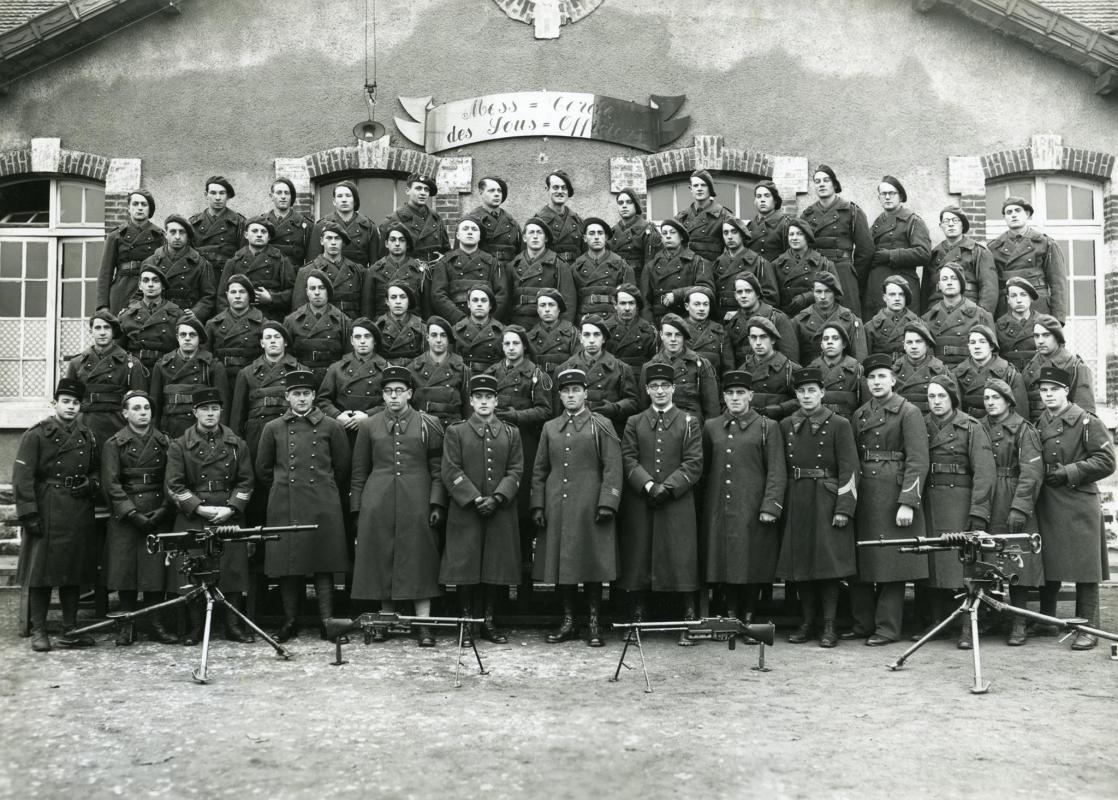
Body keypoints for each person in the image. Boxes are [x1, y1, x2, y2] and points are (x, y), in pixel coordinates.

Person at [350, 366, 447, 647]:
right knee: (382, 556)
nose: (393, 397)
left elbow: (438, 468)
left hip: (418, 499)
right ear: (382, 395)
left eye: (399, 391)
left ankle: (424, 625)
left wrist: (436, 502)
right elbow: (359, 470)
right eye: (388, 391)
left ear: (410, 394)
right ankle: (385, 620)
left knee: (420, 557)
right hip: (377, 502)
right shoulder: (369, 425)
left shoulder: (429, 424)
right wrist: (358, 508)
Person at [255, 370, 351, 642]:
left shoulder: (332, 426)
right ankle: (290, 620)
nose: (301, 399)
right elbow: (263, 468)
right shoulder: (273, 428)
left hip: (323, 502)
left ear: (313, 396)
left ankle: (327, 621)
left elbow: (341, 467)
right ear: (287, 397)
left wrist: (323, 487)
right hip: (286, 501)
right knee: (289, 563)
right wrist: (283, 486)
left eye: (306, 393)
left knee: (324, 562)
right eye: (296, 394)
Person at [530, 367, 622, 647]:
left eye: (576, 391)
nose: (571, 395)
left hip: (590, 505)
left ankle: (593, 623)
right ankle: (568, 622)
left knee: (592, 564)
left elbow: (613, 467)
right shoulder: (550, 427)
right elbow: (540, 470)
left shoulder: (601, 424)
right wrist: (538, 505)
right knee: (563, 565)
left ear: (585, 393)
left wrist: (608, 501)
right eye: (566, 391)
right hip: (558, 505)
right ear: (559, 395)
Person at [619, 363, 704, 644]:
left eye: (664, 386)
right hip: (641, 500)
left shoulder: (689, 422)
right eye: (653, 386)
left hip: (676, 501)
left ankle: (688, 621)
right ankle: (637, 619)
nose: (659, 391)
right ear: (646, 390)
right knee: (638, 556)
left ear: (673, 389)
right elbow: (628, 458)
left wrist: (668, 488)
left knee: (681, 558)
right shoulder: (634, 422)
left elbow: (694, 463)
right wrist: (647, 485)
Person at [848, 354, 929, 646]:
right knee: (862, 560)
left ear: (893, 380)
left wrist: (908, 500)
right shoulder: (859, 414)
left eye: (882, 376)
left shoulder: (908, 412)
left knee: (891, 564)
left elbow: (918, 460)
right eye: (871, 377)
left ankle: (887, 628)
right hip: (866, 493)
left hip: (893, 494)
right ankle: (862, 623)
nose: (877, 382)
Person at [14, 378, 100, 652]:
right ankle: (39, 629)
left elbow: (96, 471)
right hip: (47, 506)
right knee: (41, 572)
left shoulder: (87, 436)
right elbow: (22, 477)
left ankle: (70, 629)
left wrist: (91, 485)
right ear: (55, 404)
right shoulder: (37, 434)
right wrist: (29, 514)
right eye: (66, 402)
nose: (71, 407)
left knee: (72, 571)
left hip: (77, 509)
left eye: (75, 403)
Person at [164, 387, 255, 645]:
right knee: (193, 571)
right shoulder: (180, 445)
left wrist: (231, 508)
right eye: (204, 409)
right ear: (194, 412)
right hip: (194, 514)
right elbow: (174, 485)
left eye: (215, 409)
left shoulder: (237, 443)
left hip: (228, 513)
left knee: (232, 570)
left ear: (221, 411)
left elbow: (246, 481)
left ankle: (233, 626)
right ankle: (196, 628)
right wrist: (198, 508)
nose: (210, 414)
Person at [1033, 366, 1115, 650]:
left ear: (1066, 391)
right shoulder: (1039, 422)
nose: (1048, 395)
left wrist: (1070, 471)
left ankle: (1088, 628)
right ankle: (1046, 619)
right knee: (1049, 561)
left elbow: (1107, 461)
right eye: (1043, 391)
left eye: (1053, 390)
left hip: (1079, 499)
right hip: (1048, 502)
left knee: (1085, 566)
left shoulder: (1086, 421)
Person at [776, 367, 859, 647]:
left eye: (812, 390)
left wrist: (843, 508)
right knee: (801, 565)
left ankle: (829, 625)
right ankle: (807, 621)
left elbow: (850, 470)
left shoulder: (839, 424)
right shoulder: (787, 425)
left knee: (828, 566)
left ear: (822, 392)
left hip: (826, 497)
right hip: (797, 498)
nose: (807, 396)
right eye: (801, 391)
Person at [440, 374, 525, 644]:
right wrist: (475, 498)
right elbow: (450, 469)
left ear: (496, 401)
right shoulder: (456, 431)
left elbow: (516, 469)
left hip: (500, 510)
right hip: (466, 511)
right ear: (471, 401)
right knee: (465, 567)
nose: (484, 402)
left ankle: (488, 623)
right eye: (479, 397)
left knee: (494, 567)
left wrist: (498, 497)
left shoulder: (511, 433)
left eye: (489, 397)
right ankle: (466, 622)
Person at [702, 369, 785, 632]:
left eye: (740, 393)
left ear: (750, 395)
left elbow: (776, 470)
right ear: (723, 397)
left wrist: (770, 506)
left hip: (752, 509)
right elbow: (703, 470)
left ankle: (749, 617)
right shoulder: (711, 426)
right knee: (724, 564)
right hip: (719, 509)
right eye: (730, 393)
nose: (735, 398)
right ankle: (728, 617)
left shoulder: (767, 427)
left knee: (750, 565)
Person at [922, 373, 995, 648]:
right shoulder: (921, 424)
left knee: (964, 566)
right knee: (933, 561)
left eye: (942, 396)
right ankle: (939, 621)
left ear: (953, 398)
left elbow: (985, 473)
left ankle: (967, 626)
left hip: (960, 500)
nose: (936, 401)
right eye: (931, 396)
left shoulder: (971, 426)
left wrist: (978, 511)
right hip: (930, 500)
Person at [100, 389, 178, 645]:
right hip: (127, 514)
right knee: (126, 568)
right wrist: (131, 513)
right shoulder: (114, 444)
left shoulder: (165, 442)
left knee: (154, 569)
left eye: (146, 408)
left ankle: (155, 622)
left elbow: (173, 479)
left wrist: (165, 509)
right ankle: (128, 622)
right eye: (136, 408)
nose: (142, 413)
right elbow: (110, 484)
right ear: (125, 414)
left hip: (157, 510)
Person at [980, 378, 1044, 646]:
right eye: (987, 398)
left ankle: (1019, 621)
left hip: (1013, 494)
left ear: (1008, 401)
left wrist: (1020, 507)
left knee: (1018, 560)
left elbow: (1031, 473)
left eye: (996, 398)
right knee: (989, 559)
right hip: (987, 496)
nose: (991, 402)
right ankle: (994, 616)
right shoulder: (979, 427)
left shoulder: (1023, 429)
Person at [485, 329, 551, 588]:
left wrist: (516, 416)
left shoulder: (537, 374)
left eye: (516, 343)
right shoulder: (491, 373)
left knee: (522, 509)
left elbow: (546, 410)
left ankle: (525, 586)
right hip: (496, 442)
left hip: (526, 442)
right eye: (507, 343)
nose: (511, 348)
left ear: (524, 346)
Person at [229, 320, 308, 474]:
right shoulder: (247, 373)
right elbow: (238, 415)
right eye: (268, 337)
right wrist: (237, 445)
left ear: (285, 343)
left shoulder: (301, 370)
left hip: (291, 433)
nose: (273, 340)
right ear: (262, 343)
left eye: (277, 337)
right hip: (256, 435)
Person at [799, 165, 873, 318]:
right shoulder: (807, 215)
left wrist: (853, 276)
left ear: (834, 184)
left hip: (843, 273)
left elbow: (866, 250)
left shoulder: (852, 211)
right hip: (816, 272)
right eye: (817, 181)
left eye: (826, 180)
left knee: (847, 318)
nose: (821, 184)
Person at [66, 310, 147, 446]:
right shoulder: (77, 363)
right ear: (91, 331)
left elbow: (140, 404)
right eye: (97, 328)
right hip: (85, 426)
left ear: (113, 331)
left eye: (106, 327)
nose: (102, 332)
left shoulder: (131, 363)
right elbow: (68, 401)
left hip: (118, 427)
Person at [556, 315, 638, 434]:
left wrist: (614, 408)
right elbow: (557, 412)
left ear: (604, 338)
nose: (592, 340)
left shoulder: (621, 369)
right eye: (587, 335)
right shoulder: (564, 370)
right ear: (580, 338)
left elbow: (633, 402)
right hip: (573, 433)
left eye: (597, 334)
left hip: (608, 430)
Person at [989, 196, 1068, 321]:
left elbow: (1058, 284)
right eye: (1009, 212)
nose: (1013, 215)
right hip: (1006, 308)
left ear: (1027, 214)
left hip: (1038, 305)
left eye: (1017, 211)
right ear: (1004, 217)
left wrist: (1058, 319)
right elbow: (990, 287)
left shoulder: (1045, 243)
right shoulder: (994, 247)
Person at [149, 317, 229, 438]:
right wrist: (156, 435)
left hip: (201, 432)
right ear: (177, 337)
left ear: (199, 338)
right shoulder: (162, 365)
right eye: (183, 334)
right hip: (169, 432)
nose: (187, 338)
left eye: (192, 334)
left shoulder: (212, 365)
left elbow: (223, 406)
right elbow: (155, 405)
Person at [317, 317, 391, 444]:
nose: (362, 341)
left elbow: (393, 403)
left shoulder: (387, 370)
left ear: (375, 341)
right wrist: (337, 415)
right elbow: (322, 400)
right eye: (358, 337)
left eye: (367, 336)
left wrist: (368, 416)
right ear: (352, 340)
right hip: (342, 432)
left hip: (375, 432)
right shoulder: (336, 368)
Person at [865, 175, 930, 317]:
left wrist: (890, 255)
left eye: (891, 193)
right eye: (883, 194)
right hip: (877, 289)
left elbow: (924, 253)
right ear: (879, 198)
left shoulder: (913, 221)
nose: (887, 197)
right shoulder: (876, 224)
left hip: (903, 288)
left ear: (900, 196)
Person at [639, 314, 720, 426]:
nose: (673, 339)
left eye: (678, 335)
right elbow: (644, 407)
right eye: (668, 334)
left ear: (684, 337)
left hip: (691, 427)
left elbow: (712, 408)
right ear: (661, 335)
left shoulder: (700, 364)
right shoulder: (649, 367)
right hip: (660, 426)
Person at [216, 215, 296, 322]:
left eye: (263, 232)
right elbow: (222, 297)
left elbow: (293, 293)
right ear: (246, 235)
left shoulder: (280, 260)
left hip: (270, 318)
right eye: (254, 231)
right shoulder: (234, 262)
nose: (259, 235)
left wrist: (272, 298)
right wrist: (229, 320)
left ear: (268, 237)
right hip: (240, 319)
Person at [98, 189, 165, 314]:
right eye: (135, 204)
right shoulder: (116, 235)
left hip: (149, 288)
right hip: (122, 288)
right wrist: (103, 306)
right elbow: (105, 273)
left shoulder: (159, 236)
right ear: (129, 208)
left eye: (144, 204)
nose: (139, 208)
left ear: (150, 209)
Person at [431, 216, 508, 324]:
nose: (470, 232)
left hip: (486, 324)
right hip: (455, 324)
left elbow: (502, 295)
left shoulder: (493, 263)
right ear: (457, 235)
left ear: (480, 236)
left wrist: (487, 320)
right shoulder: (445, 262)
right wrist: (460, 320)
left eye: (474, 229)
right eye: (465, 229)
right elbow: (438, 295)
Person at [141, 214, 217, 322]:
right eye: (172, 232)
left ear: (187, 236)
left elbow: (208, 297)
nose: (177, 236)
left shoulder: (201, 264)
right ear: (166, 234)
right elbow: (139, 295)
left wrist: (195, 313)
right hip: (156, 319)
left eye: (182, 232)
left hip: (186, 320)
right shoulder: (150, 262)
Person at [284, 270, 352, 387]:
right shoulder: (292, 321)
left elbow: (348, 359)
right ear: (306, 292)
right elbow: (286, 357)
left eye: (321, 288)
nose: (317, 293)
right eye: (312, 288)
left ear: (328, 291)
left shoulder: (343, 321)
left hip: (332, 382)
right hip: (302, 381)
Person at [1022, 314, 1095, 422]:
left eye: (1046, 335)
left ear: (1057, 336)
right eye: (1036, 336)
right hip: (1032, 430)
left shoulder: (1075, 366)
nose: (1040, 341)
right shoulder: (1030, 366)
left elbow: (1086, 413)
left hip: (1061, 431)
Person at [921, 263, 995, 367]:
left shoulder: (981, 316)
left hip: (969, 376)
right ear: (939, 285)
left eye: (954, 278)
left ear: (962, 283)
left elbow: (992, 357)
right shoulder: (927, 318)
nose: (949, 283)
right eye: (945, 279)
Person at [639, 218, 712, 324]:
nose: (668, 236)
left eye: (673, 232)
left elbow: (706, 290)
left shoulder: (697, 262)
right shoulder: (651, 266)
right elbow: (644, 302)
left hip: (687, 319)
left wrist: (677, 295)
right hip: (660, 322)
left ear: (681, 237)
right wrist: (650, 326)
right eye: (664, 233)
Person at [925, 206, 996, 311]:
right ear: (941, 226)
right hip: (937, 308)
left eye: (955, 220)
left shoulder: (978, 251)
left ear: (963, 225)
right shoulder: (933, 255)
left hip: (968, 308)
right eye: (946, 221)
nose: (950, 224)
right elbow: (925, 291)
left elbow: (989, 290)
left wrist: (982, 316)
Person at [117, 265, 184, 372]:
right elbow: (118, 352)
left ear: (163, 286)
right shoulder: (127, 316)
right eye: (146, 280)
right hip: (136, 370)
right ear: (140, 286)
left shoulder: (177, 315)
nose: (150, 285)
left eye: (155, 281)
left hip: (167, 369)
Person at [952, 325, 1027, 419]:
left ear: (991, 346)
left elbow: (1019, 416)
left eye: (982, 342)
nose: (977, 347)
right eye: (973, 343)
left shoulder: (1010, 374)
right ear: (969, 347)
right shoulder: (956, 374)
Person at [791, 272, 868, 364]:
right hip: (811, 375)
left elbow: (860, 360)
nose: (823, 297)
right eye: (818, 292)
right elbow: (793, 361)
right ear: (813, 292)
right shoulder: (799, 321)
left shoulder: (851, 321)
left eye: (828, 291)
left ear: (835, 293)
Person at [771, 219, 841, 318]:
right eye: (791, 234)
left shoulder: (824, 264)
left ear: (807, 237)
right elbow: (771, 299)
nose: (794, 238)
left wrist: (806, 298)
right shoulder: (776, 265)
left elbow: (836, 294)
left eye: (799, 234)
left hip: (817, 319)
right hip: (786, 319)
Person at [293, 221, 364, 319]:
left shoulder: (357, 271)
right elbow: (299, 311)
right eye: (329, 238)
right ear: (322, 241)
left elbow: (364, 308)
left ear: (343, 242)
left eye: (337, 238)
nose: (333, 243)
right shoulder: (306, 271)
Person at [205, 274, 265, 389]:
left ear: (249, 295)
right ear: (227, 295)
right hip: (221, 381)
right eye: (233, 292)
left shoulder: (262, 324)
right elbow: (205, 359)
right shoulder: (213, 324)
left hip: (252, 381)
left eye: (242, 292)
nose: (237, 296)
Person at [724, 272, 798, 366]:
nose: (743, 295)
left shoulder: (776, 318)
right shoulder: (731, 322)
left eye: (748, 291)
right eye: (739, 292)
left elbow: (790, 361)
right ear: (735, 296)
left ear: (758, 294)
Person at [712, 216, 778, 321]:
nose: (729, 237)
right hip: (722, 323)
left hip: (751, 322)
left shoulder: (760, 263)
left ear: (742, 234)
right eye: (726, 233)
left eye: (734, 232)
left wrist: (742, 315)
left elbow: (770, 299)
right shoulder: (717, 263)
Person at [507, 217, 567, 329]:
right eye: (531, 232)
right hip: (518, 323)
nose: (535, 236)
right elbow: (507, 300)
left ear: (546, 238)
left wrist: (563, 328)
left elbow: (568, 301)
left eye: (539, 233)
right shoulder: (513, 265)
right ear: (524, 238)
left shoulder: (558, 264)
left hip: (548, 324)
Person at [408, 316, 469, 427]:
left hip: (453, 429)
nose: (439, 340)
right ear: (427, 337)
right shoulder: (413, 369)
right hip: (422, 429)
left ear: (448, 339)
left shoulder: (462, 369)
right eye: (434, 335)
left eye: (443, 335)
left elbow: (468, 409)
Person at [306, 180, 380, 269]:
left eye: (348, 196)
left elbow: (375, 266)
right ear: (334, 201)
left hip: (359, 279)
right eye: (340, 196)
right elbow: (313, 263)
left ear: (355, 200)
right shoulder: (322, 225)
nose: (344, 200)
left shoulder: (369, 227)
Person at [737, 316, 799, 420]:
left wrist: (780, 409)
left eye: (763, 337)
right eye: (753, 337)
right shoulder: (742, 371)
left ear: (773, 339)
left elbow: (804, 400)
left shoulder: (790, 369)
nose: (758, 342)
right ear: (749, 340)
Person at [381, 173, 450, 266]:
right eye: (418, 188)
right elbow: (383, 260)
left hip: (434, 276)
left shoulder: (436, 219)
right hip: (407, 276)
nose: (423, 193)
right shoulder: (393, 220)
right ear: (407, 191)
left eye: (426, 190)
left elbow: (447, 251)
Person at [571, 217, 632, 321]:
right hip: (585, 320)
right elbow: (571, 302)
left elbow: (631, 300)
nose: (596, 237)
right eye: (591, 233)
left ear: (606, 237)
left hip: (613, 320)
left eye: (600, 233)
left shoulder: (621, 265)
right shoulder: (575, 267)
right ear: (585, 238)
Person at [364, 223, 429, 320]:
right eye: (393, 239)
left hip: (413, 328)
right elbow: (367, 308)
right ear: (386, 243)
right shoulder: (374, 271)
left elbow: (427, 309)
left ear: (407, 244)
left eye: (402, 240)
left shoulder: (420, 271)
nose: (397, 243)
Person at [673, 169, 735, 263]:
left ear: (710, 188)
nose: (699, 188)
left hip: (712, 274)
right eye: (696, 185)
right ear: (691, 189)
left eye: (703, 185)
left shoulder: (725, 216)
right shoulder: (680, 218)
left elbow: (733, 252)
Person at [189, 176, 247, 269]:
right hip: (201, 275)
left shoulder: (239, 222)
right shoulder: (194, 223)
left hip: (228, 275)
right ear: (206, 195)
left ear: (227, 196)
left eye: (222, 193)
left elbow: (244, 256)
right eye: (213, 193)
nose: (217, 198)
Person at [807, 323, 863, 418]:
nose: (830, 342)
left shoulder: (857, 370)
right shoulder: (811, 370)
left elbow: (864, 406)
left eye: (835, 338)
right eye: (826, 339)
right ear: (821, 345)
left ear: (844, 344)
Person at [604, 284, 659, 374]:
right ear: (615, 305)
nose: (627, 308)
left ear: (637, 306)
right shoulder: (605, 329)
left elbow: (653, 364)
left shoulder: (649, 331)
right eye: (622, 303)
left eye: (631, 303)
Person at [894, 320, 947, 413]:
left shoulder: (941, 371)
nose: (914, 346)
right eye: (909, 342)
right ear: (904, 345)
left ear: (927, 345)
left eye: (918, 342)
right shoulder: (893, 371)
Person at [608, 188, 661, 282]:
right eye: (621, 203)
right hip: (615, 281)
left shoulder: (647, 229)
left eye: (629, 202)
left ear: (635, 205)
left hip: (638, 282)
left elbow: (651, 267)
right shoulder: (612, 231)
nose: (624, 206)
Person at [533, 170, 584, 266]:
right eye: (555, 187)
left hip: (575, 274)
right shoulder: (538, 222)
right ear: (547, 189)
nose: (560, 191)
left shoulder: (578, 221)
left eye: (564, 188)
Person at [470, 176, 521, 270]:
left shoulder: (512, 222)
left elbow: (521, 254)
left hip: (508, 274)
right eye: (491, 190)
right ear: (481, 193)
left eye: (499, 191)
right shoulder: (471, 221)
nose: (497, 194)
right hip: (481, 273)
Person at [453, 284, 505, 374]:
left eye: (484, 300)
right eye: (475, 300)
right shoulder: (455, 332)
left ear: (490, 305)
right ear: (469, 304)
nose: (479, 304)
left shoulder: (503, 332)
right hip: (464, 381)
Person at [526, 288, 579, 377]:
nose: (547, 309)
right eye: (542, 305)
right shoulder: (530, 337)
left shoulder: (573, 333)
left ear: (559, 308)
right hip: (540, 383)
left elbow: (578, 362)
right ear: (538, 310)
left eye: (551, 305)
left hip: (565, 382)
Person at [864, 275, 922, 356]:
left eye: (901, 294)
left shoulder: (918, 323)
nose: (897, 298)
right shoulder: (871, 328)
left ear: (906, 297)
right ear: (884, 297)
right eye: (892, 294)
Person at [263, 177, 314, 267]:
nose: (283, 196)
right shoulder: (261, 223)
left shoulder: (305, 225)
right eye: (279, 193)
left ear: (291, 197)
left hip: (294, 277)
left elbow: (312, 260)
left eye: (287, 193)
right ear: (271, 196)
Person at [995, 276, 1042, 372]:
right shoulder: (998, 327)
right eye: (1013, 296)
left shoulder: (1044, 323)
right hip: (1009, 378)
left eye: (1023, 295)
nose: (1019, 300)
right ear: (1008, 299)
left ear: (1031, 298)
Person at [682, 285, 730, 376]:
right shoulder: (678, 330)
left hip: (713, 384)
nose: (702, 308)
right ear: (687, 306)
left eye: (705, 304)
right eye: (697, 304)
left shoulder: (719, 332)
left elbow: (728, 367)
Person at [375, 282, 425, 365]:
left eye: (403, 297)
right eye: (393, 297)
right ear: (387, 301)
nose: (398, 302)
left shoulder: (421, 327)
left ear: (409, 301)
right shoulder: (377, 327)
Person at [747, 180, 792, 265]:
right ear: (755, 201)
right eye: (759, 196)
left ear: (775, 200)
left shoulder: (785, 225)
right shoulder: (749, 227)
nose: (762, 200)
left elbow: (791, 256)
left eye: (767, 196)